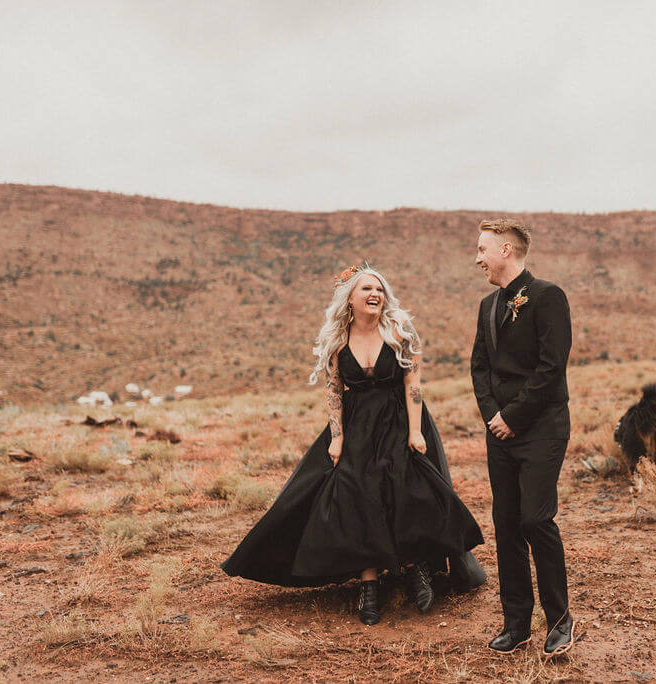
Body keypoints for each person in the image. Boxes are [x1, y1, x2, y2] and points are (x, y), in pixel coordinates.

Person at [222, 264, 485, 626]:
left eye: (379, 288)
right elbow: (334, 390)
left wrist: (415, 431)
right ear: (351, 299)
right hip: (358, 425)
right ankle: (369, 584)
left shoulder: (400, 333)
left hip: (400, 420)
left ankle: (416, 569)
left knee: (407, 491)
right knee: (357, 494)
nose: (374, 293)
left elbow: (413, 385)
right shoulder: (338, 338)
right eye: (366, 289)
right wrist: (337, 436)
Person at [470, 219, 576, 656]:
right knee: (506, 524)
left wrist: (513, 416)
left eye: (482, 249)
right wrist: (494, 416)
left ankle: (560, 619)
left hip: (542, 429)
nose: (477, 258)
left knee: (535, 519)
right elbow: (479, 367)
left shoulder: (549, 297)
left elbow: (552, 368)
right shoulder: (486, 306)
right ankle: (517, 623)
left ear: (507, 250)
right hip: (501, 432)